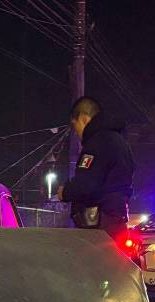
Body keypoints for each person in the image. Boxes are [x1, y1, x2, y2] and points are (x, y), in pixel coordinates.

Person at [58, 97, 134, 238]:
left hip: (99, 224)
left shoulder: (96, 143)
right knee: (116, 260)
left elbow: (86, 184)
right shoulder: (120, 142)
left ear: (83, 118)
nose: (77, 134)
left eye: (75, 128)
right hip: (118, 218)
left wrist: (65, 191)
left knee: (92, 260)